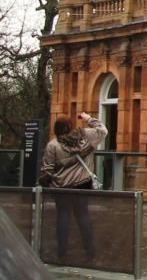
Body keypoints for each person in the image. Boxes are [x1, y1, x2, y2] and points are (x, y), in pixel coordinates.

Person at [38, 112, 108, 263]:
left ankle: (62, 254)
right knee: (83, 216)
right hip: (82, 184)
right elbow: (103, 130)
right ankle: (90, 253)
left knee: (62, 217)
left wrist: (45, 183)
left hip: (61, 186)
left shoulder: (53, 145)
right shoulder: (86, 136)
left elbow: (47, 170)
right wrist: (87, 118)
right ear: (71, 126)